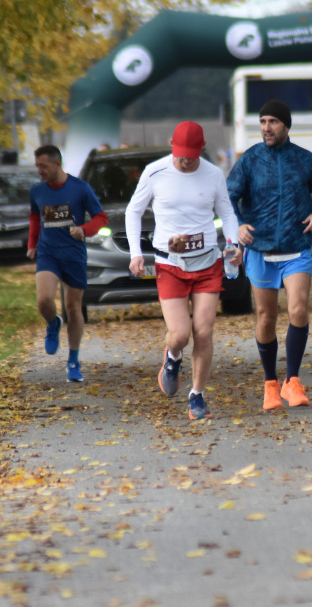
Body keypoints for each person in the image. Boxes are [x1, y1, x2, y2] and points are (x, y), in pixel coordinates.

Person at [123, 121, 241, 419]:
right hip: (169, 264)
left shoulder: (213, 174)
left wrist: (234, 243)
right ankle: (172, 357)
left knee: (203, 331)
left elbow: (226, 212)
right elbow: (133, 211)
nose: (185, 161)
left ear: (201, 150)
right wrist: (137, 253)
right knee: (179, 334)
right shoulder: (155, 171)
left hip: (207, 262)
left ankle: (197, 395)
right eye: (180, 155)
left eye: (191, 155)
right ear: (171, 146)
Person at [227, 99, 312, 411]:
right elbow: (230, 196)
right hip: (260, 249)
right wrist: (240, 225)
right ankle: (270, 384)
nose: (266, 128)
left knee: (298, 310)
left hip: (296, 247)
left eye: (273, 122)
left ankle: (293, 380)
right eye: (262, 122)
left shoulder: (306, 160)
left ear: (286, 126)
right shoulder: (249, 160)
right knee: (266, 317)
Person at [27, 145, 108, 382]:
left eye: (44, 166)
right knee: (43, 300)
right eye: (37, 166)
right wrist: (32, 244)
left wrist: (85, 230)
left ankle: (73, 361)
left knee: (73, 308)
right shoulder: (37, 191)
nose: (40, 171)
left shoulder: (80, 189)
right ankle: (53, 324)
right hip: (48, 252)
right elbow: (35, 217)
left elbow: (100, 217)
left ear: (57, 164)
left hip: (73, 254)